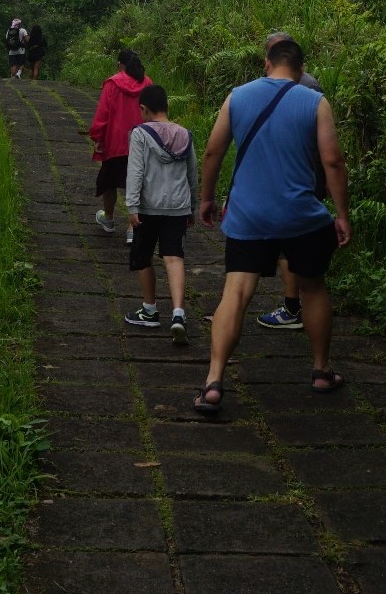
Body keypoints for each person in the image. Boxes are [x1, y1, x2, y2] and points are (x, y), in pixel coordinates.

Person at [191, 36, 351, 418]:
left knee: (237, 291)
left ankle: (214, 381)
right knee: (312, 287)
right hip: (301, 216)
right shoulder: (315, 102)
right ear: (300, 69)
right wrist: (341, 213)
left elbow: (213, 150)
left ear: (267, 62)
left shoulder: (238, 96)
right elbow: (333, 161)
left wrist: (206, 198)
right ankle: (321, 371)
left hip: (249, 215)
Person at [257, 29, 324, 333]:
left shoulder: (300, 88)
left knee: (287, 245)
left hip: (294, 177)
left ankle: (292, 306)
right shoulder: (311, 86)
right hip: (309, 175)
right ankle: (297, 303)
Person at [123, 83, 197, 344]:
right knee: (174, 258)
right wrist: (193, 207)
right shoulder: (185, 134)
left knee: (143, 257)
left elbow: (135, 172)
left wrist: (131, 205)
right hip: (178, 207)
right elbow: (192, 174)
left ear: (143, 109)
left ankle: (150, 310)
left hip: (148, 207)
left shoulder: (140, 134)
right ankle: (178, 313)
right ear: (167, 106)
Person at [88, 48, 148, 238]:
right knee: (137, 184)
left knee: (110, 182)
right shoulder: (147, 83)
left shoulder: (112, 83)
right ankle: (132, 228)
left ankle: (109, 219)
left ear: (121, 65)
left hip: (116, 142)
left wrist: (98, 137)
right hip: (141, 142)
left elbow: (103, 113)